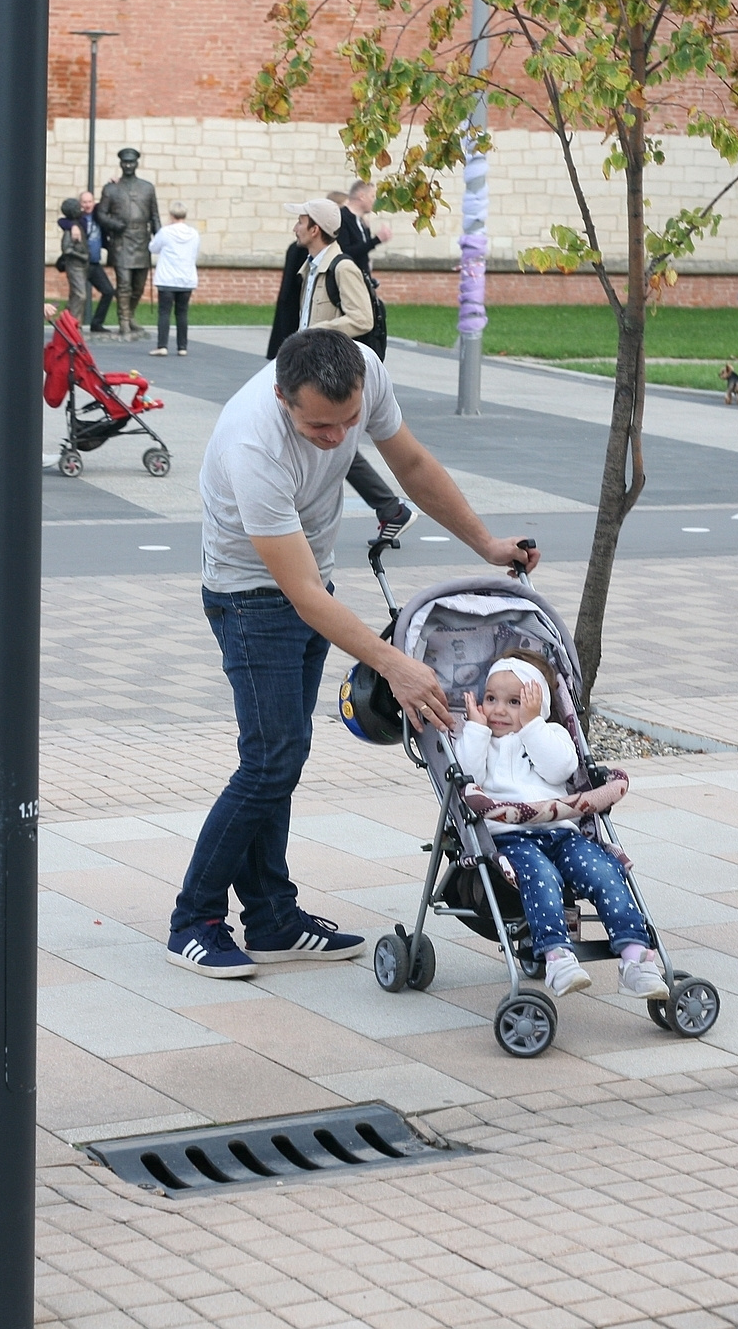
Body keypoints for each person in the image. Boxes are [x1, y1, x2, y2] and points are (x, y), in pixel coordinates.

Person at [169, 326, 539, 978]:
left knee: (280, 759)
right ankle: (193, 919)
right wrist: (393, 662)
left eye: (347, 423)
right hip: (251, 599)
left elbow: (414, 466)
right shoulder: (251, 442)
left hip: (314, 580)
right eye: (319, 428)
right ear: (284, 398)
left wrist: (484, 542)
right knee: (269, 762)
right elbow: (300, 592)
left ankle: (272, 918)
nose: (337, 439)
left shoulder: (362, 368)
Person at [456, 652, 667, 1000]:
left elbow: (559, 770)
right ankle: (557, 955)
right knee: (542, 877)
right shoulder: (480, 740)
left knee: (606, 873)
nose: (497, 710)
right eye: (490, 698)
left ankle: (635, 957)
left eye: (513, 702)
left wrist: (531, 726)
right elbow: (468, 778)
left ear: (537, 704)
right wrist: (477, 730)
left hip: (561, 831)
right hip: (511, 837)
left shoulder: (549, 733)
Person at [274, 197, 414, 543]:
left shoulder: (341, 267)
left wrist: (317, 336)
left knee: (330, 442)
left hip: (329, 371)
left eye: (300, 221)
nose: (295, 227)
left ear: (315, 229)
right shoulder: (313, 266)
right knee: (324, 442)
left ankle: (390, 508)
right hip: (309, 367)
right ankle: (387, 508)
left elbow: (362, 317)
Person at [94, 147, 159, 341]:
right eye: (125, 162)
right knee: (124, 284)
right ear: (120, 164)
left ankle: (130, 315)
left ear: (137, 164)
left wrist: (162, 239)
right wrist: (115, 225)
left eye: (131, 162)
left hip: (142, 240)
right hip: (121, 241)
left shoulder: (147, 187)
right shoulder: (111, 189)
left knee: (138, 285)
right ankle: (123, 321)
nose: (128, 165)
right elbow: (101, 214)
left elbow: (154, 215)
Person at [335, 179, 391, 357]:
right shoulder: (343, 218)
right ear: (361, 195)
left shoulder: (362, 223)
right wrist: (376, 240)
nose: (375, 200)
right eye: (373, 196)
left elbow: (361, 253)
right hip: (349, 284)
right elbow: (345, 251)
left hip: (364, 282)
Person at [147, 202, 198, 356]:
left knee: (164, 312)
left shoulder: (165, 232)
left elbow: (153, 248)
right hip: (186, 278)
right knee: (182, 313)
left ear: (171, 215)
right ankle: (182, 346)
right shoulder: (194, 234)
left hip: (167, 279)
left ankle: (162, 345)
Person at [55, 197, 91, 321]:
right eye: (77, 207)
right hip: (74, 265)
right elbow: (67, 249)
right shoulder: (69, 231)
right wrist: (82, 256)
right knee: (81, 295)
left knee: (74, 296)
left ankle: (69, 322)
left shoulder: (80, 224)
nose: (81, 209)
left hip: (82, 266)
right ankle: (72, 323)